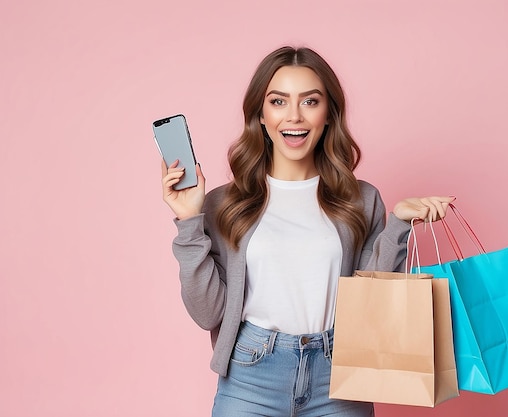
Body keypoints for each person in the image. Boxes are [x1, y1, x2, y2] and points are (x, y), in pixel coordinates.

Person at [161, 46, 454, 416]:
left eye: (310, 101)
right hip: (251, 377)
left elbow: (375, 302)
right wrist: (189, 222)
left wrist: (398, 224)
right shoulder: (225, 204)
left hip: (339, 376)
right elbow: (208, 314)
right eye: (279, 101)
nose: (294, 116)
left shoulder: (360, 199)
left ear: (329, 113)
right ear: (261, 116)